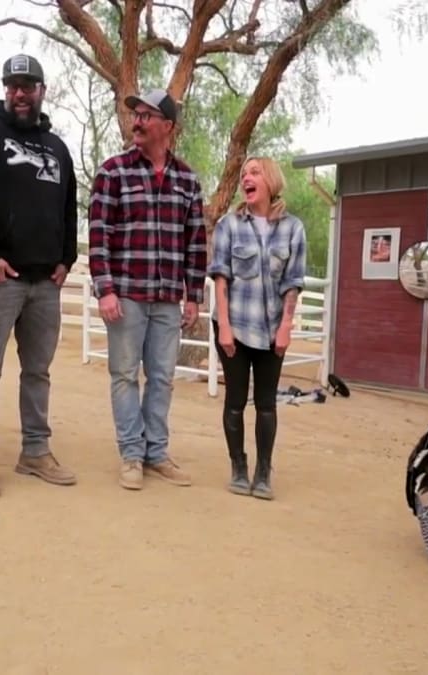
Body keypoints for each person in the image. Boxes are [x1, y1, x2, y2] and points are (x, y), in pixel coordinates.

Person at [0, 53, 79, 499]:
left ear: (42, 91)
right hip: (1, 277)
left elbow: (68, 207)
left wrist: (68, 259)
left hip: (46, 281)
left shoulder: (58, 148)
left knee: (38, 371)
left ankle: (35, 452)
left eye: (28, 85)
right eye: (12, 86)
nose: (19, 93)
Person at [87, 88, 207, 491]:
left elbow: (196, 242)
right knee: (124, 375)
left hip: (168, 299)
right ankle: (131, 455)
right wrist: (105, 289)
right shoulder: (113, 172)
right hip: (126, 295)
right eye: (135, 115)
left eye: (147, 115)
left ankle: (156, 452)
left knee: (162, 377)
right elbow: (99, 235)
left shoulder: (188, 180)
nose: (137, 121)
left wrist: (194, 296)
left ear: (168, 126)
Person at [207, 156, 307, 500]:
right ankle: (238, 466)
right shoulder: (228, 225)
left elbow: (292, 282)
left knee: (266, 403)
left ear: (271, 180)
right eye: (244, 173)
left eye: (254, 172)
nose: (246, 179)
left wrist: (286, 327)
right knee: (235, 401)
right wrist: (224, 328)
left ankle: (263, 471)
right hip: (234, 325)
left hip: (271, 330)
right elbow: (220, 279)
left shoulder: (293, 228)